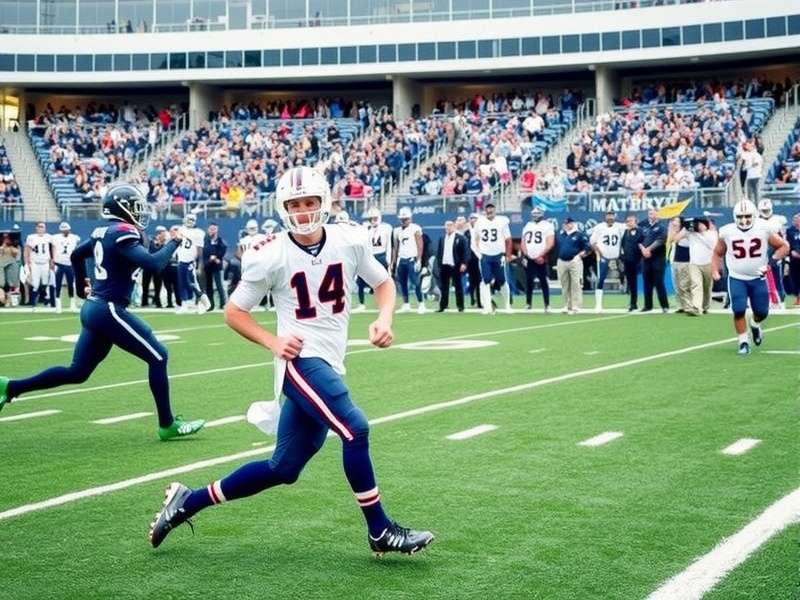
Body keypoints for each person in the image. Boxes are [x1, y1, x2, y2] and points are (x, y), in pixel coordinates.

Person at [147, 166, 433, 555]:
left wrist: (384, 318)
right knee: (355, 427)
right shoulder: (270, 254)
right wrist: (272, 341)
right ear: (284, 208)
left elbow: (383, 282)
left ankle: (187, 501)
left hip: (328, 362)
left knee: (283, 469)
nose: (302, 211)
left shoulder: (349, 239)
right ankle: (380, 529)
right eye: (294, 204)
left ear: (324, 203)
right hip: (300, 361)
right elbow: (234, 311)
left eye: (309, 203)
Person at [0, 184, 206, 440]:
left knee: (77, 372)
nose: (139, 212)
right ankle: (167, 425)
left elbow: (76, 255)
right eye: (135, 207)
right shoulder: (123, 232)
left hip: (94, 308)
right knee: (159, 356)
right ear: (122, 209)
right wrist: (175, 241)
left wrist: (78, 286)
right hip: (109, 309)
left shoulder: (104, 231)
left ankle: (10, 387)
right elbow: (154, 264)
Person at [712, 199, 789, 355]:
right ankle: (743, 342)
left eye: (747, 216)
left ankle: (754, 324)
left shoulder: (764, 228)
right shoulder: (727, 231)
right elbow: (717, 252)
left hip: (758, 277)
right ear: (734, 216)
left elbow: (784, 246)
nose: (744, 220)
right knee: (739, 309)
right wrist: (715, 270)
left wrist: (772, 262)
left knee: (762, 312)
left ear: (754, 215)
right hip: (736, 277)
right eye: (740, 216)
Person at [472, 204, 512, 315]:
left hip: (499, 255)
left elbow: (508, 239)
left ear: (495, 211)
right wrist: (479, 254)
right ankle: (487, 306)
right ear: (485, 211)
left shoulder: (502, 221)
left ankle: (507, 305)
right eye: (488, 210)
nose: (489, 212)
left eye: (491, 210)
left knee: (502, 280)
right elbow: (474, 240)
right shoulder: (479, 222)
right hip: (485, 255)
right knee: (486, 280)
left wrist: (507, 255)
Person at [355, 206, 392, 312]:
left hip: (381, 256)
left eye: (375, 218)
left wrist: (388, 261)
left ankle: (383, 304)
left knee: (382, 282)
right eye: (371, 219)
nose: (373, 221)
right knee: (361, 281)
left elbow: (389, 245)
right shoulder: (365, 229)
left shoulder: (386, 228)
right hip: (369, 256)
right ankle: (361, 303)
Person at [392, 206, 425, 313]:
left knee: (416, 282)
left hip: (412, 258)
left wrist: (419, 259)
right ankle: (406, 304)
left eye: (405, 219)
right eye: (402, 219)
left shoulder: (415, 228)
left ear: (410, 218)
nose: (404, 221)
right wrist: (395, 261)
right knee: (402, 282)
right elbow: (396, 248)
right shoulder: (397, 231)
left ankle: (421, 304)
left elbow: (420, 244)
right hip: (402, 259)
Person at [176, 213, 211, 314]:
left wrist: (199, 264)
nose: (189, 221)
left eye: (191, 220)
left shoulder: (198, 233)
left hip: (191, 260)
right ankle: (185, 304)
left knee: (193, 284)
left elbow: (200, 249)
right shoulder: (181, 229)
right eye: (188, 219)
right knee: (182, 283)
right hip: (181, 259)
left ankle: (203, 303)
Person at [589, 210, 625, 313]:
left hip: (617, 256)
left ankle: (629, 298)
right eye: (608, 216)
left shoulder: (620, 226)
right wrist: (600, 253)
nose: (610, 218)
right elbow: (592, 242)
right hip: (604, 257)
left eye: (612, 216)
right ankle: (598, 305)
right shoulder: (599, 227)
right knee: (601, 280)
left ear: (615, 217)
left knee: (625, 273)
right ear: (605, 217)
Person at [520, 207, 554, 311]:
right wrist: (527, 254)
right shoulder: (528, 225)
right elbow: (523, 242)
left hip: (541, 258)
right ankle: (528, 303)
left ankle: (547, 304)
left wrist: (541, 255)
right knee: (529, 281)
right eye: (534, 213)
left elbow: (550, 242)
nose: (535, 215)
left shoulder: (547, 225)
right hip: (530, 258)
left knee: (543, 281)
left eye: (537, 213)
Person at [757, 199, 788, 308]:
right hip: (761, 253)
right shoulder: (756, 221)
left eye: (767, 210)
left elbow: (783, 239)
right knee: (760, 278)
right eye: (763, 210)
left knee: (777, 277)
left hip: (775, 251)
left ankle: (780, 300)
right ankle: (766, 301)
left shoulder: (778, 220)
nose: (765, 212)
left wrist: (781, 254)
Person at [556, 217, 590, 314]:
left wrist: (579, 256)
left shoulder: (579, 235)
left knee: (576, 283)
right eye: (566, 224)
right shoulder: (561, 235)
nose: (567, 225)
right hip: (562, 261)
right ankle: (567, 305)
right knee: (564, 284)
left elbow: (587, 248)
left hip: (574, 261)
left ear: (573, 224)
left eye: (569, 224)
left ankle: (576, 305)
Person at [639, 208, 669, 313]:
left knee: (659, 282)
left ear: (658, 214)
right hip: (645, 258)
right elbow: (639, 240)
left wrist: (649, 249)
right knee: (647, 282)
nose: (650, 215)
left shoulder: (662, 227)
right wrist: (643, 249)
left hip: (658, 258)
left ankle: (664, 306)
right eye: (649, 213)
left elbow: (661, 240)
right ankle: (648, 305)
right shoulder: (644, 227)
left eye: (652, 213)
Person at [686, 219, 717, 315]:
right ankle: (696, 307)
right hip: (694, 264)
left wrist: (701, 234)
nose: (699, 226)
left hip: (708, 263)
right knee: (696, 285)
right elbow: (677, 239)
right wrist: (685, 228)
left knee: (707, 287)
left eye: (701, 224)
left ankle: (705, 306)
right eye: (698, 224)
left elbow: (713, 245)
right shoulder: (691, 233)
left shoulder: (712, 233)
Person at [436, 220, 467, 312]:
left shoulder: (460, 238)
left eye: (450, 225)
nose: (448, 227)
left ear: (454, 226)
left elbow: (465, 252)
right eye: (446, 226)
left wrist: (464, 263)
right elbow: (439, 252)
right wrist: (439, 264)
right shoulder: (442, 238)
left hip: (455, 265)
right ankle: (443, 306)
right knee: (444, 286)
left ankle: (460, 306)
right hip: (444, 265)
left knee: (458, 286)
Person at [52, 222, 80, 313]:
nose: (65, 231)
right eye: (63, 230)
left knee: (71, 284)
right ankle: (58, 304)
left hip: (69, 263)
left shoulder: (74, 238)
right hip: (58, 263)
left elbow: (76, 248)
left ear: (69, 229)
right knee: (58, 284)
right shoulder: (55, 238)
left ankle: (72, 304)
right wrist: (52, 260)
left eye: (66, 230)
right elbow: (52, 248)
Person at [24, 222, 53, 308]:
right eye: (39, 227)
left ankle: (45, 299)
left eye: (42, 227)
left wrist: (52, 260)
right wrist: (26, 263)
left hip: (45, 263)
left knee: (45, 282)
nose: (41, 228)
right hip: (35, 263)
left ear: (45, 228)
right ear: (36, 228)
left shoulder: (49, 237)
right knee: (35, 283)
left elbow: (53, 247)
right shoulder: (31, 237)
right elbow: (26, 251)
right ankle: (33, 303)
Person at [668, 217, 692, 314]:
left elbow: (675, 239)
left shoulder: (685, 231)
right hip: (675, 262)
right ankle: (680, 305)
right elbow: (670, 241)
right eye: (673, 221)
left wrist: (672, 230)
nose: (674, 223)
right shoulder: (674, 232)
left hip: (685, 262)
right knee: (676, 286)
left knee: (684, 285)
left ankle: (688, 305)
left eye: (676, 221)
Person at [620, 214, 643, 311]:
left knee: (642, 283)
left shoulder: (641, 231)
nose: (629, 223)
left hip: (638, 261)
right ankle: (633, 303)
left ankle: (648, 303)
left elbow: (643, 244)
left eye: (630, 221)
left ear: (635, 221)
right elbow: (622, 245)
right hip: (628, 261)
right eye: (627, 221)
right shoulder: (626, 232)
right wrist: (622, 257)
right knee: (631, 283)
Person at [203, 223, 227, 311]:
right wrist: (210, 258)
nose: (212, 231)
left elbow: (223, 250)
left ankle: (223, 304)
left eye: (214, 229)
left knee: (219, 285)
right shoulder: (206, 241)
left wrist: (216, 257)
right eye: (210, 229)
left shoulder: (220, 241)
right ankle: (210, 305)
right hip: (208, 265)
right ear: (208, 230)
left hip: (217, 266)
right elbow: (205, 252)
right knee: (208, 286)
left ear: (217, 230)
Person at [142, 226, 167, 308]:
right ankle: (144, 301)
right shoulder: (150, 240)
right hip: (148, 265)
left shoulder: (164, 243)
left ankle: (157, 302)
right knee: (145, 284)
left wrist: (161, 244)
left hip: (157, 267)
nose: (164, 235)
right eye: (163, 233)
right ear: (159, 233)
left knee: (158, 285)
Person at [788, 213, 800, 306]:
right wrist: (791, 251)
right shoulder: (790, 231)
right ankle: (797, 297)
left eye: (797, 219)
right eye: (794, 220)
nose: (795, 222)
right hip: (794, 260)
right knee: (795, 278)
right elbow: (787, 244)